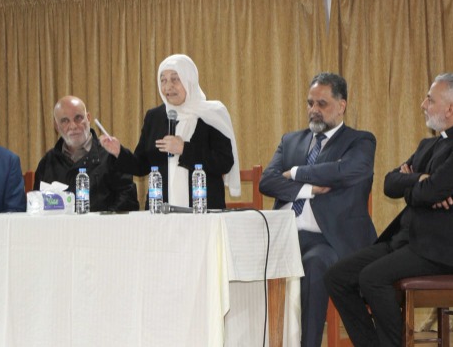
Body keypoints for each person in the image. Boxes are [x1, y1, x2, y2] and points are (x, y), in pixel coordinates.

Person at [324, 73, 453, 347]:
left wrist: (418, 184)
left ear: (450, 108)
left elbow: (430, 191)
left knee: (372, 278)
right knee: (337, 276)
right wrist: (421, 180)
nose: (423, 105)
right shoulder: (430, 144)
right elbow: (389, 183)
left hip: (446, 251)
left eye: (430, 99)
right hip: (409, 241)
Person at [259, 72, 377, 347]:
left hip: (329, 240)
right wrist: (309, 189)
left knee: (315, 265)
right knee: (245, 256)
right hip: (285, 236)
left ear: (341, 105)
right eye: (310, 103)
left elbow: (346, 171)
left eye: (322, 104)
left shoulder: (360, 141)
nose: (314, 110)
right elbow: (267, 181)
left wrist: (296, 172)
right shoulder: (291, 140)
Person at [99, 54, 240, 210]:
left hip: (203, 210)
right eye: (163, 80)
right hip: (160, 211)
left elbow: (224, 162)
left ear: (189, 80)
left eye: (175, 79)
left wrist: (184, 149)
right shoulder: (154, 117)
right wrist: (119, 152)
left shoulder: (211, 114)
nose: (168, 87)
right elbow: (141, 165)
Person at [33, 96, 139, 211]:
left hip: (103, 222)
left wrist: (102, 219)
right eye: (65, 121)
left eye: (78, 118)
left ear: (88, 118)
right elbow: (37, 206)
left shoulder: (110, 155)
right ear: (56, 126)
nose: (73, 126)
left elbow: (128, 201)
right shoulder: (47, 163)